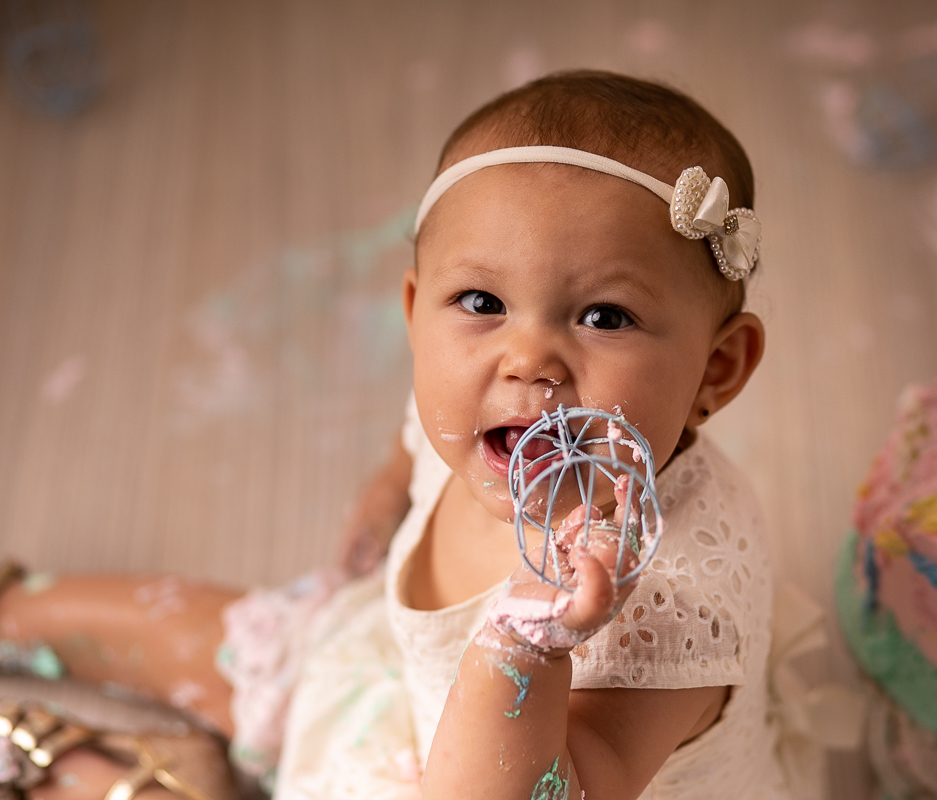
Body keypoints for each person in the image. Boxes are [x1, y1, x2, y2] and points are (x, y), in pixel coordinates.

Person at [0, 70, 794, 799]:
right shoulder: (490, 413)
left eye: (604, 317)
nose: (525, 360)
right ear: (416, 312)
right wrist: (388, 493)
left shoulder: (675, 607)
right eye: (482, 302)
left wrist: (529, 646)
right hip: (387, 681)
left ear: (718, 369)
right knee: (226, 639)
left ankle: (135, 774)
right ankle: (19, 612)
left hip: (494, 768)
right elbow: (416, 439)